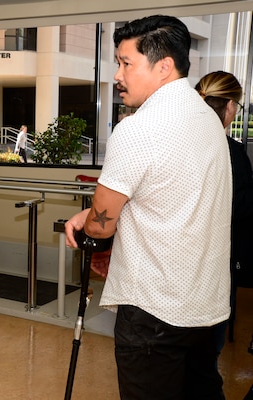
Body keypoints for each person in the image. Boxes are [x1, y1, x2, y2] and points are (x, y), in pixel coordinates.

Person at [64, 15, 232, 399]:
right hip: (204, 304)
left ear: (163, 66)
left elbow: (101, 227)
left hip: (154, 309)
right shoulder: (208, 118)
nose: (118, 74)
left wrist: (88, 222)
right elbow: (172, 197)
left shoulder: (138, 129)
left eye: (126, 63)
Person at [195, 71, 253, 356]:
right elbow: (239, 208)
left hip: (177, 260)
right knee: (205, 354)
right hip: (217, 261)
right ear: (230, 106)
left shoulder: (179, 144)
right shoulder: (231, 151)